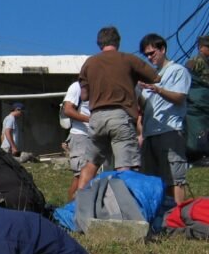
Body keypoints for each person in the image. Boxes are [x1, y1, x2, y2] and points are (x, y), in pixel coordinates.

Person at [77, 26, 160, 190]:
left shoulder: (90, 63)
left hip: (97, 118)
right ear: (118, 42)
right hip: (120, 117)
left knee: (91, 163)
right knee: (125, 166)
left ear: (99, 44)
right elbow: (155, 77)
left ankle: (79, 204)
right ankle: (126, 210)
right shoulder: (128, 59)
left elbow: (84, 96)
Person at [138, 33, 191, 204]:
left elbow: (180, 97)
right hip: (149, 134)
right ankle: (163, 217)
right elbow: (144, 107)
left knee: (174, 179)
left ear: (163, 49)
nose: (149, 57)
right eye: (146, 55)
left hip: (170, 131)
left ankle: (178, 215)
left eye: (152, 53)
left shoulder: (178, 71)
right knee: (153, 180)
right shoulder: (150, 76)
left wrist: (158, 89)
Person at [62, 81, 92, 200]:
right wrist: (91, 120)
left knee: (89, 175)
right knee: (80, 176)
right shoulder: (77, 87)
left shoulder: (98, 84)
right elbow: (68, 110)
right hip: (81, 135)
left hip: (94, 136)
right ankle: (69, 211)